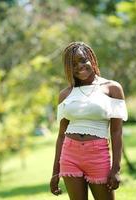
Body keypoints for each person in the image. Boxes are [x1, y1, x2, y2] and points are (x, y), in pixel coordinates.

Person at [50, 42, 128, 200]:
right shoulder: (65, 94)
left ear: (92, 59)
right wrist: (55, 172)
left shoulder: (112, 88)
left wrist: (116, 168)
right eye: (73, 64)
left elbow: (116, 131)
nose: (79, 66)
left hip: (98, 154)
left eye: (83, 60)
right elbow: (61, 135)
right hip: (70, 155)